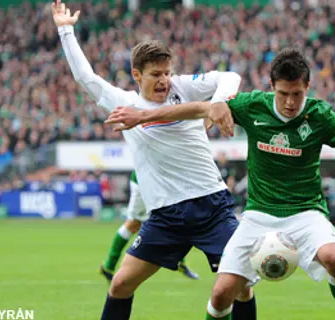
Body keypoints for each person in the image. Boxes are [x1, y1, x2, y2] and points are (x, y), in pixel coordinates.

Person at [106, 48, 335, 320]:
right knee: (222, 293)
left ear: (307, 88)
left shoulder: (320, 115)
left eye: (297, 94)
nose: (290, 102)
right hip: (258, 215)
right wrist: (147, 115)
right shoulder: (254, 106)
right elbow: (196, 108)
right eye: (283, 94)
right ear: (272, 87)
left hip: (306, 211)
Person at [51, 1, 255, 319]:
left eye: (167, 73)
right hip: (166, 217)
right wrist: (66, 30)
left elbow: (230, 76)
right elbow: (85, 77)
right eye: (155, 74)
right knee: (120, 284)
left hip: (211, 207)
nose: (164, 80)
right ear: (137, 75)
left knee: (240, 286)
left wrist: (217, 103)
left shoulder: (183, 88)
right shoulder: (125, 104)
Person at [100, 171, 199, 281]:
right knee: (134, 223)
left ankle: (179, 261)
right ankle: (109, 265)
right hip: (145, 179)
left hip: (163, 179)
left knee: (174, 216)